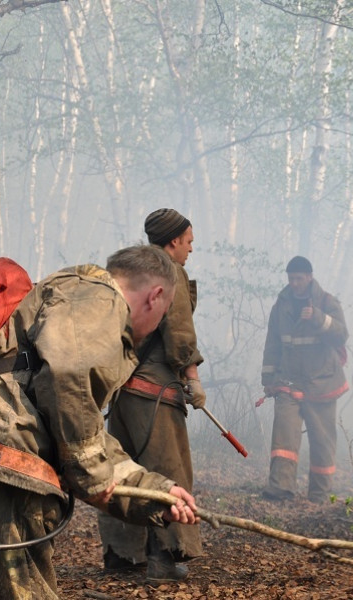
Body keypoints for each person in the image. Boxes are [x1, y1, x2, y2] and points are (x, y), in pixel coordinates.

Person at [0, 245, 199, 600]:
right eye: (163, 315)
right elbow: (69, 381)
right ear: (155, 296)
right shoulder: (101, 298)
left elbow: (82, 428)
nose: (156, 328)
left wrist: (157, 493)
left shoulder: (62, 299)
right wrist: (91, 475)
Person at [98, 208, 204, 583]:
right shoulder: (169, 272)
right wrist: (192, 377)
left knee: (123, 471)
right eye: (188, 241)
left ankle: (122, 556)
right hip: (156, 392)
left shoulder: (131, 271)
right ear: (173, 241)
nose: (191, 249)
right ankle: (164, 558)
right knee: (167, 469)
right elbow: (179, 331)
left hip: (121, 390)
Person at [260, 256, 349, 503]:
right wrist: (268, 378)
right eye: (291, 279)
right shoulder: (281, 306)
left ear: (309, 277)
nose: (294, 283)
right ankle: (280, 488)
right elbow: (273, 343)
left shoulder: (327, 302)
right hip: (288, 381)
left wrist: (319, 318)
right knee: (284, 437)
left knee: (322, 441)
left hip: (322, 383)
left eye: (299, 278)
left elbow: (342, 335)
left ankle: (319, 493)